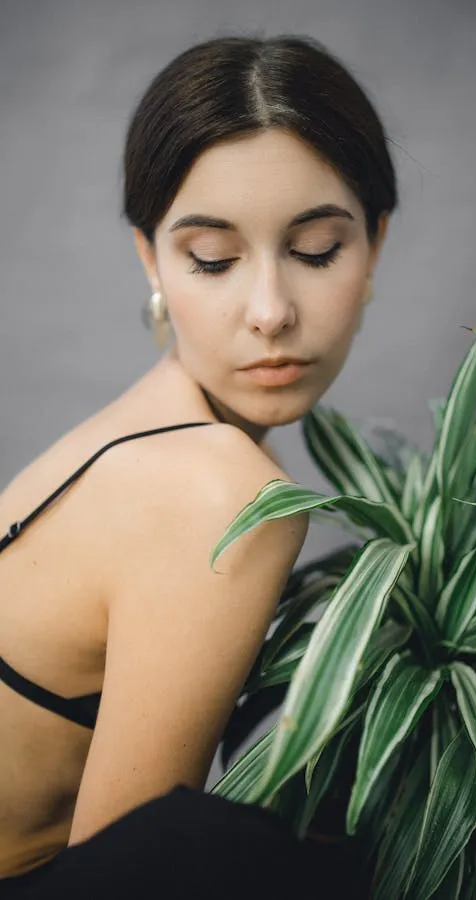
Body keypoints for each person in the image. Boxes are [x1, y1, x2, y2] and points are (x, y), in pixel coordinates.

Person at [0, 33, 393, 897]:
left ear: (376, 245)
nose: (269, 312)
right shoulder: (219, 489)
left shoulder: (152, 430)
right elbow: (130, 879)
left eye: (318, 249)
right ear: (152, 260)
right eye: (212, 260)